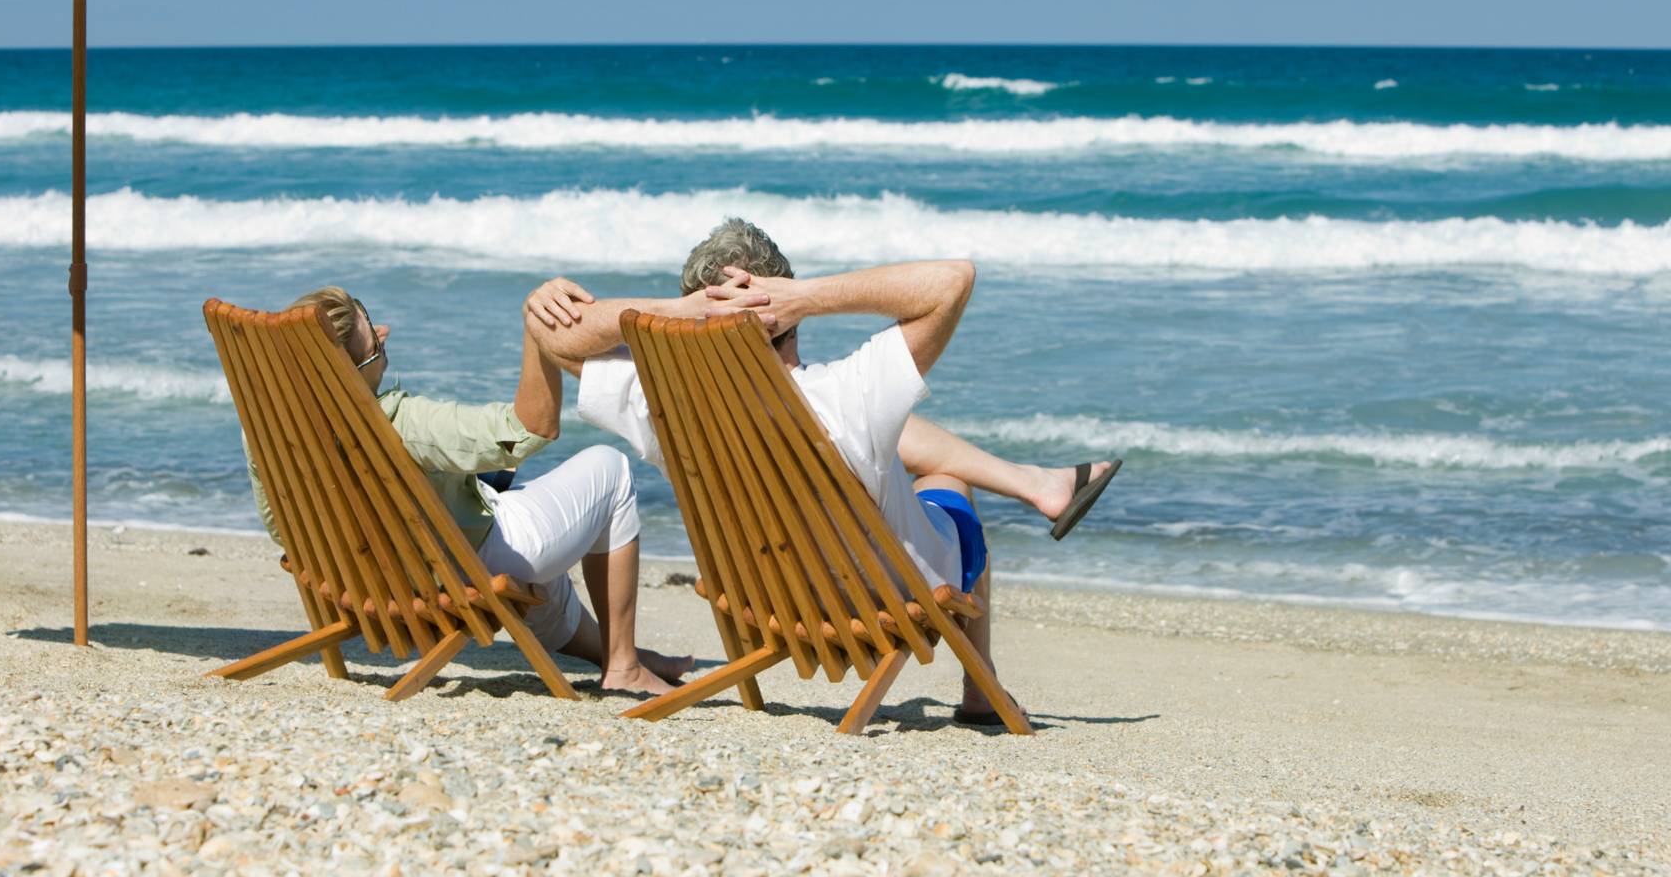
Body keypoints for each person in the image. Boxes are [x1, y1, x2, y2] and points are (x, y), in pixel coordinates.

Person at [520, 219, 1120, 723]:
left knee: (893, 440)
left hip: (765, 604)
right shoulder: (849, 393)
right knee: (944, 487)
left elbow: (556, 336)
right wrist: (806, 295)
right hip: (886, 599)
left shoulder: (660, 405)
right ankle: (979, 687)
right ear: (782, 309)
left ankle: (1039, 483)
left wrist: (677, 312)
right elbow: (952, 278)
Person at [243, 283, 690, 696]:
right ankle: (624, 667)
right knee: (609, 469)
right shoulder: (400, 425)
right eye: (375, 341)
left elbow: (282, 530)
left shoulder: (265, 430)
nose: (385, 331)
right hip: (454, 572)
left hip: (368, 580)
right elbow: (530, 429)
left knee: (535, 542)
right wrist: (537, 333)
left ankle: (620, 655)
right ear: (351, 372)